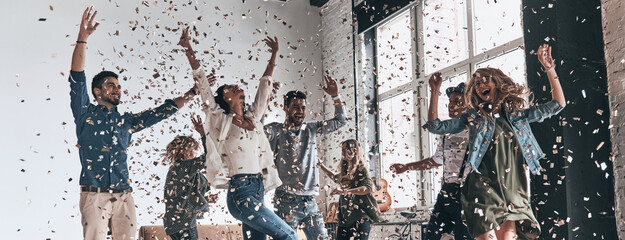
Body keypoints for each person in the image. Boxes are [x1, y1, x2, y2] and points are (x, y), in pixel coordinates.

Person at [69, 8, 198, 239]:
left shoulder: (126, 121)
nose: (117, 89)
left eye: (118, 86)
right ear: (97, 91)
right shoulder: (84, 114)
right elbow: (77, 76)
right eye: (111, 85)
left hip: (124, 196)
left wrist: (192, 93)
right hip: (94, 196)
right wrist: (83, 38)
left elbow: (160, 112)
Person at [422, 44, 566, 240]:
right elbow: (435, 126)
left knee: (508, 236)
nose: (481, 86)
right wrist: (435, 92)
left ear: (497, 84)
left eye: (485, 81)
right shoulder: (473, 118)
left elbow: (558, 104)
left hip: (513, 187)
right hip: (482, 187)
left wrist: (550, 69)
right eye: (477, 84)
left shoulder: (518, 117)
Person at [178, 27, 298, 240]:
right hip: (241, 193)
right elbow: (203, 84)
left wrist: (274, 55)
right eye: (230, 88)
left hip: (258, 188)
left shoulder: (253, 118)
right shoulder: (219, 120)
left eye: (237, 86)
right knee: (289, 235)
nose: (236, 86)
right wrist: (188, 49)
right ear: (225, 98)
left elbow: (264, 87)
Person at [264, 76, 347, 240]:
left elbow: (341, 120)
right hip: (286, 200)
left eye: (303, 107)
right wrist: (265, 101)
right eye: (295, 107)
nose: (300, 111)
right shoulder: (276, 130)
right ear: (285, 108)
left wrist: (336, 96)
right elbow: (257, 130)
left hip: (309, 201)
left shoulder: (311, 129)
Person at [391, 80, 473, 240]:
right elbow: (435, 161)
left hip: (466, 192)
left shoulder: (474, 130)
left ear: (468, 105)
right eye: (450, 101)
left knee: (464, 237)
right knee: (432, 235)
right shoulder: (446, 134)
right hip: (446, 192)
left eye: (457, 101)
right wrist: (407, 167)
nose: (451, 105)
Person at [163, 116, 215, 240]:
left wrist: (206, 198)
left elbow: (184, 194)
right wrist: (203, 133)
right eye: (192, 151)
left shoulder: (178, 169)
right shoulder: (185, 166)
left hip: (174, 223)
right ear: (183, 151)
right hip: (183, 223)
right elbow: (210, 155)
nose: (195, 154)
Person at [318, 139, 382, 240]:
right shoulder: (346, 170)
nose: (342, 153)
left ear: (353, 151)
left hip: (360, 219)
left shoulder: (362, 169)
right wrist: (321, 166)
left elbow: (367, 188)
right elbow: (336, 178)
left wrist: (345, 191)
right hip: (345, 220)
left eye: (345, 149)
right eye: (342, 150)